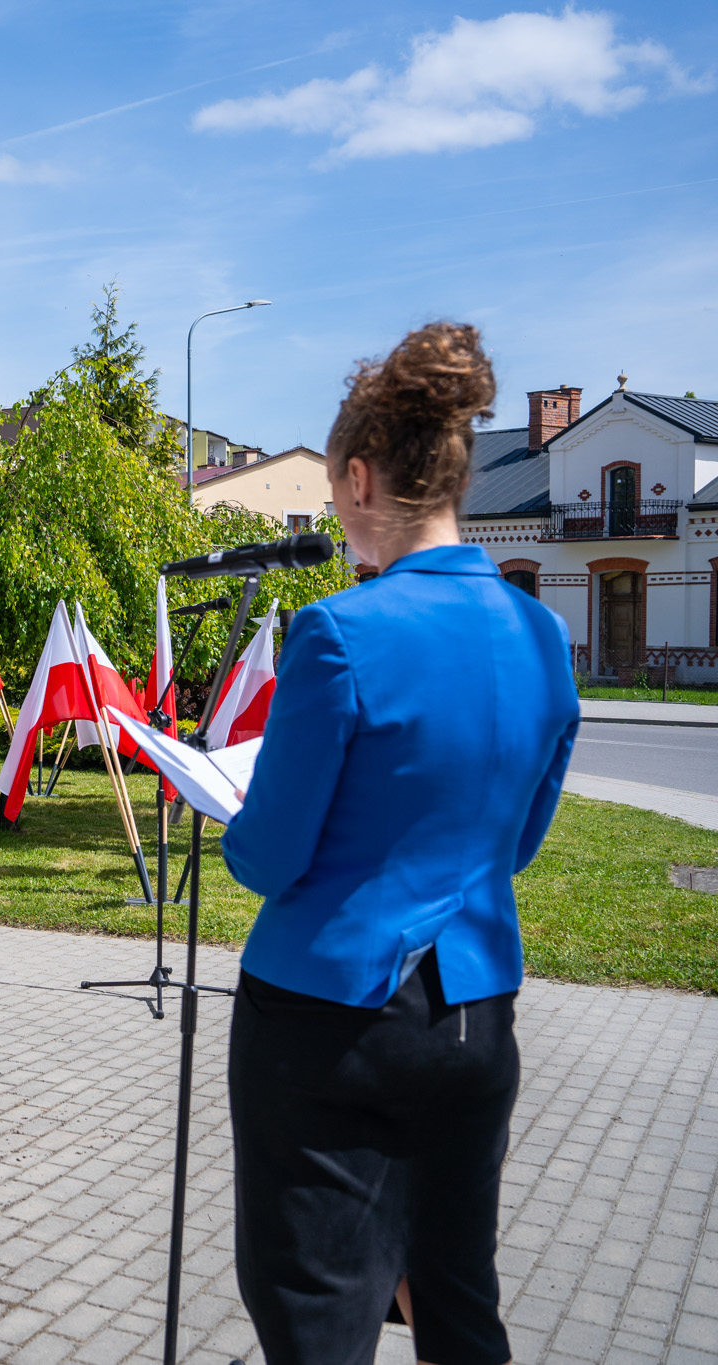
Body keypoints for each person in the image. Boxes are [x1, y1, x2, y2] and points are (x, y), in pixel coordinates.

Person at [219, 323, 581, 1365]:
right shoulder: (540, 634)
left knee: (315, 1306)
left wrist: (233, 814)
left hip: (327, 1021)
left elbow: (269, 860)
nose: (338, 519)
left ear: (362, 478)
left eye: (336, 494)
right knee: (456, 1299)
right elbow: (516, 843)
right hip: (473, 1019)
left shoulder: (339, 632)